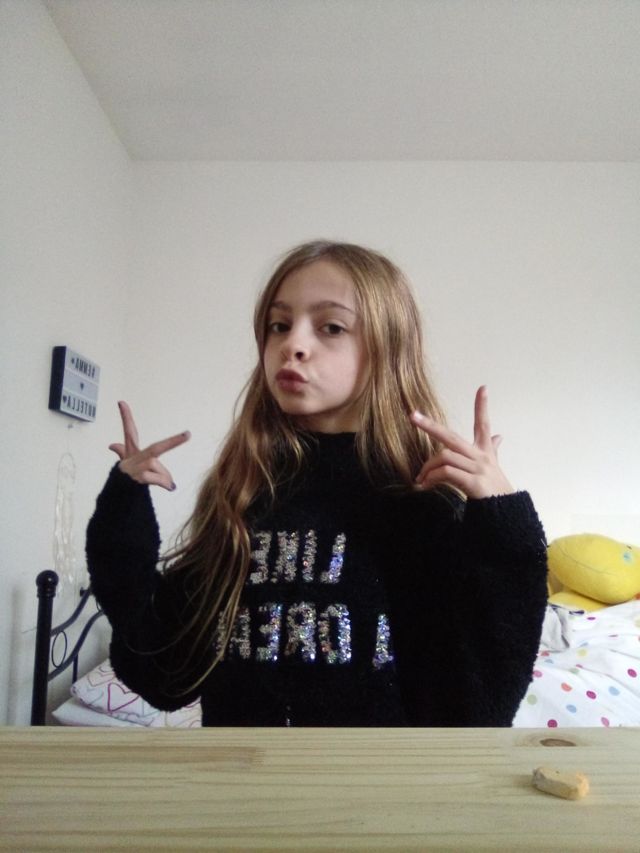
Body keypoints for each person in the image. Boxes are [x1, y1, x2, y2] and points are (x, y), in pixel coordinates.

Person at [86, 239, 548, 727]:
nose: (293, 344)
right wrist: (123, 509)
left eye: (331, 327)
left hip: (376, 776)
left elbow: (477, 705)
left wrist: (502, 518)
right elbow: (162, 670)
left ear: (387, 348)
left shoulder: (419, 502)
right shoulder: (242, 493)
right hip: (239, 772)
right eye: (279, 325)